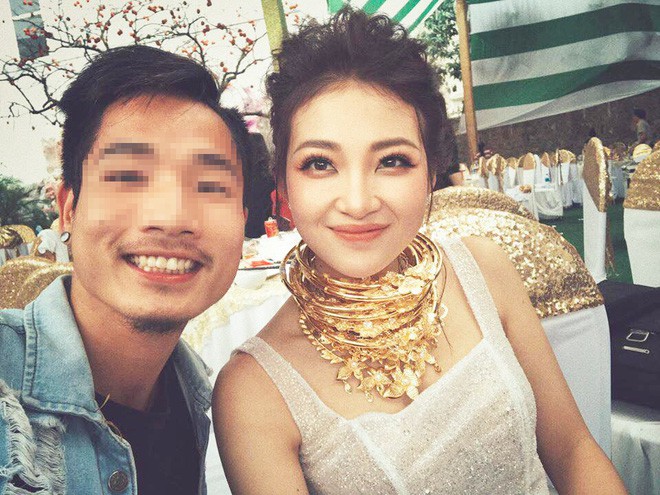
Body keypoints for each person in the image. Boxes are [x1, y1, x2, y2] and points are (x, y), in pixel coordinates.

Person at [213, 9, 627, 495]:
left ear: (431, 172)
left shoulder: (484, 268)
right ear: (283, 183)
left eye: (392, 160)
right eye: (320, 163)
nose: (358, 202)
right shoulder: (253, 390)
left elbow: (574, 450)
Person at [0, 45, 250, 494]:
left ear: (243, 221)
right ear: (68, 209)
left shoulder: (201, 396)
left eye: (210, 185)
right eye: (129, 177)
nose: (171, 218)